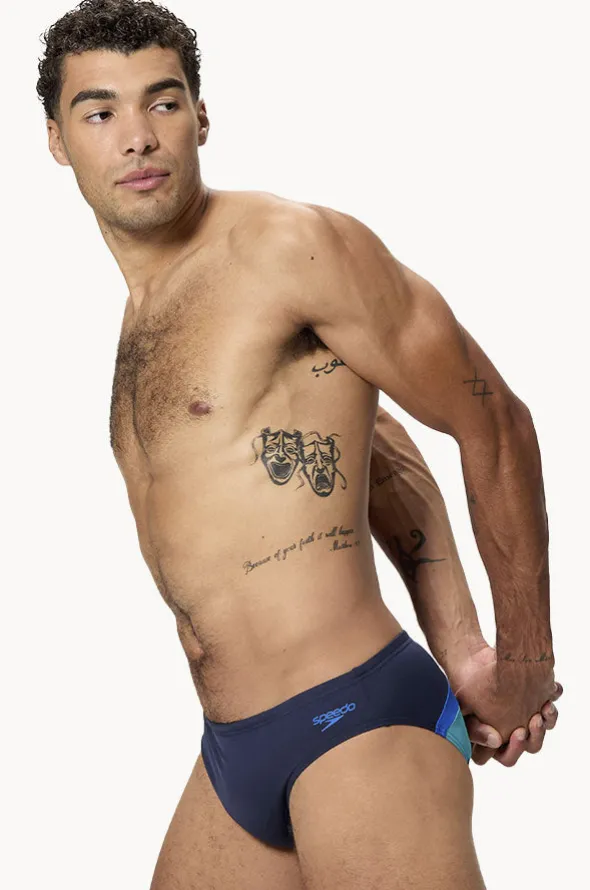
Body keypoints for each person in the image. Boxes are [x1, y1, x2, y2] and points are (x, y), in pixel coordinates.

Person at [37, 1, 561, 887]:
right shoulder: (147, 313)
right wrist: (458, 635)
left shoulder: (288, 247)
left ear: (201, 117)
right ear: (57, 140)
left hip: (356, 722)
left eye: (163, 102)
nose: (137, 136)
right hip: (233, 749)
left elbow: (495, 423)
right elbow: (372, 450)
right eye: (100, 111)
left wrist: (520, 663)